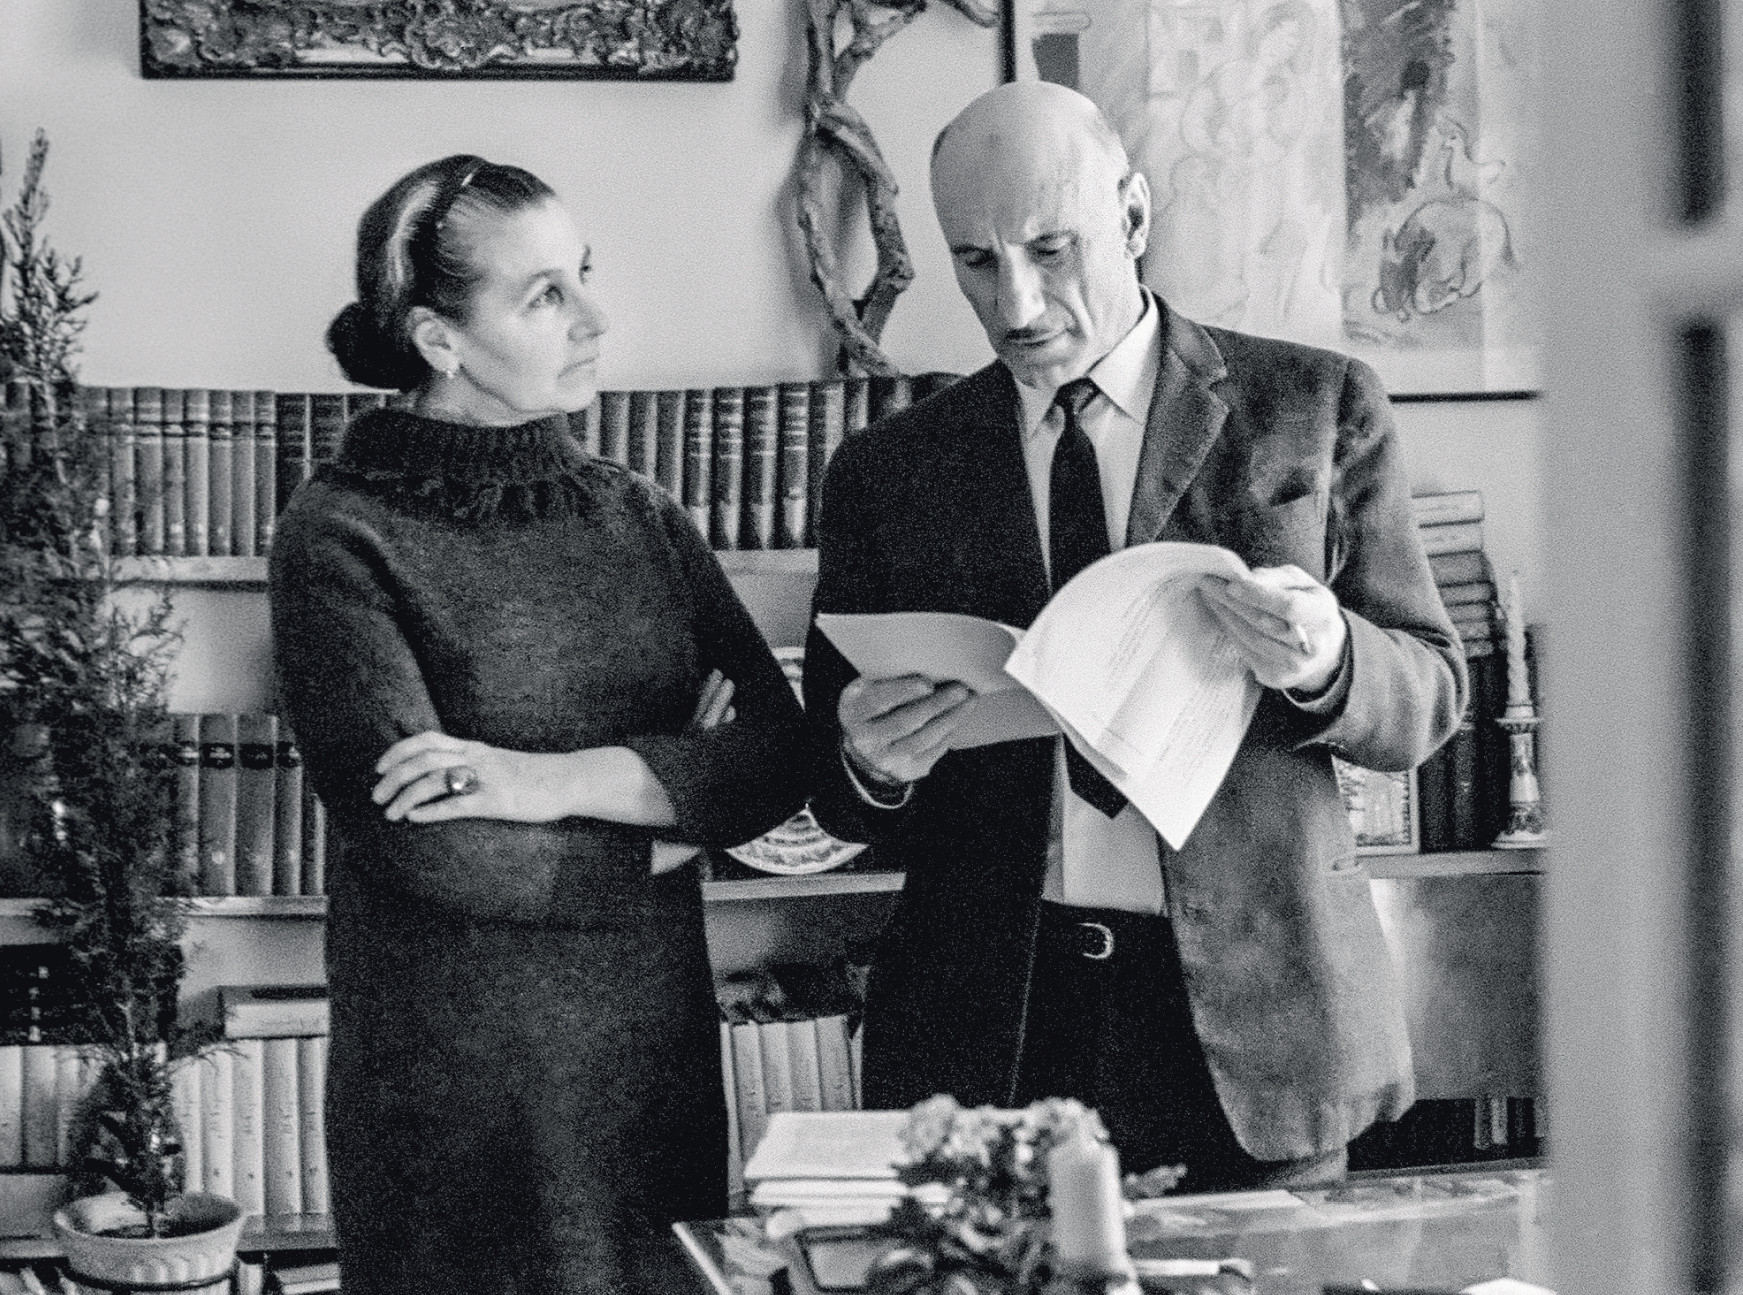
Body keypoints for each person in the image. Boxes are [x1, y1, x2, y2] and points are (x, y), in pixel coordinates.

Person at [802, 82, 1465, 1190]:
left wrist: (1329, 660)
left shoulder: (1315, 403)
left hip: (1261, 1025)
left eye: (1050, 249)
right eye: (976, 261)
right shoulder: (887, 471)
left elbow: (1431, 693)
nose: (1015, 303)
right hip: (994, 1031)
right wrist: (869, 760)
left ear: (1134, 215)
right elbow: (832, 785)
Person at [270, 154, 806, 1294]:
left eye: (583, 276)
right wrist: (674, 817)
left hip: (650, 1063)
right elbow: (431, 840)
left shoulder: (638, 516)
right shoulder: (339, 534)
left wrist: (543, 781)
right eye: (544, 295)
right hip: (455, 1090)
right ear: (439, 339)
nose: (594, 319)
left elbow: (774, 754)